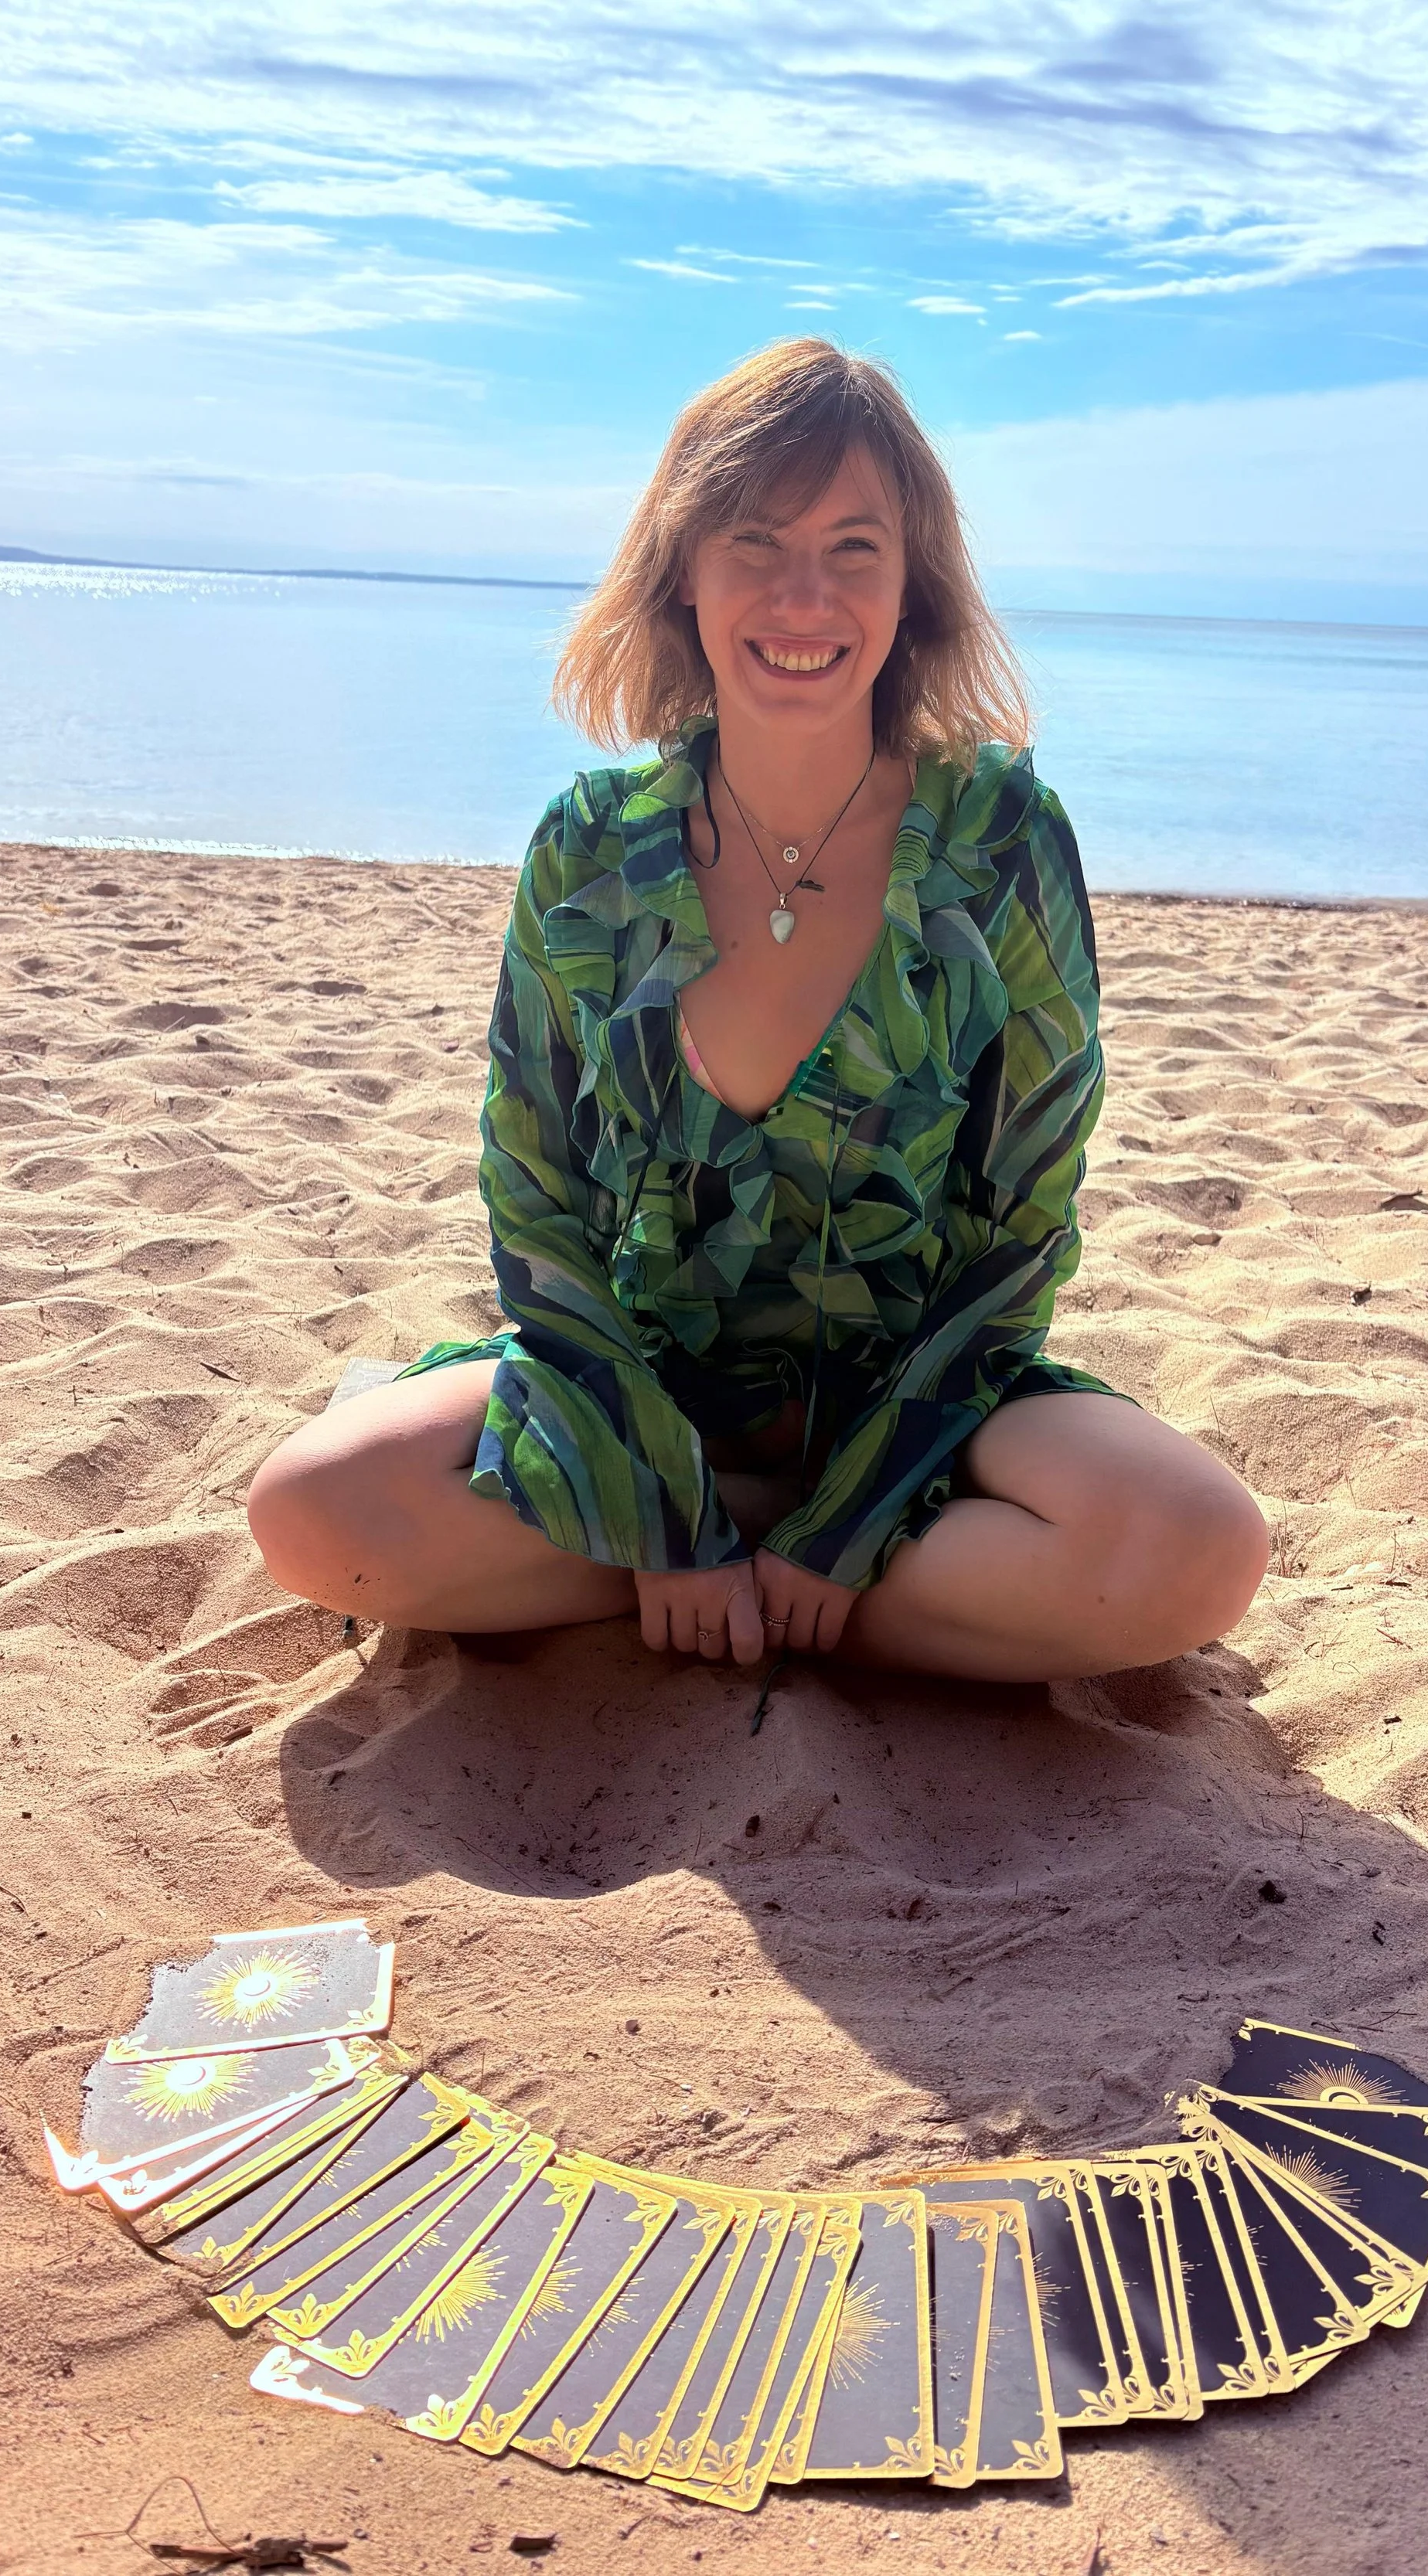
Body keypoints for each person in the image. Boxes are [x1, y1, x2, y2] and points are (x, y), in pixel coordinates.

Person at [248, 340, 1267, 1683]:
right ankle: (748, 1579)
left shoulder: (1001, 841)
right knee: (313, 1513)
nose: (806, 593)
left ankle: (751, 1579)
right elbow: (538, 1205)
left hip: (923, 1405)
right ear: (683, 569)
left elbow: (1020, 1229)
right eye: (758, 540)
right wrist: (662, 1513)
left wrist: (848, 1518)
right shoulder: (591, 852)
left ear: (914, 589)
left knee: (1203, 1547)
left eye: (855, 548)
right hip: (630, 1382)